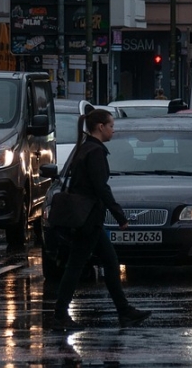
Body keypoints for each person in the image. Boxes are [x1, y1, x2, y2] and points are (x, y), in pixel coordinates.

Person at [50, 107, 151, 331]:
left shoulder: (85, 148)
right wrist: (120, 216)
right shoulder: (94, 152)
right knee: (76, 266)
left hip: (88, 218)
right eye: (111, 126)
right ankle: (60, 315)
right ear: (101, 127)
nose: (113, 131)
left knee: (110, 263)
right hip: (88, 219)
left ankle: (124, 311)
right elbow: (100, 188)